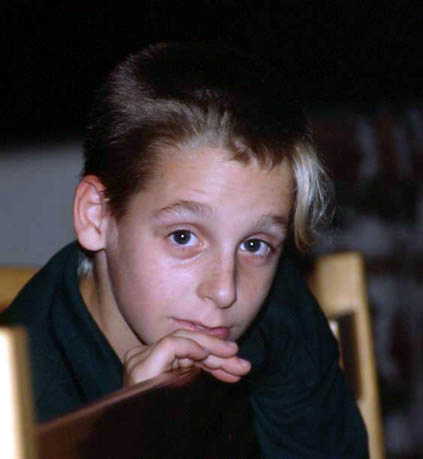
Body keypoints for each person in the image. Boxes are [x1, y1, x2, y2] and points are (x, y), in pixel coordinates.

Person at [1, 42, 368, 457]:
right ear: (96, 216)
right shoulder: (22, 402)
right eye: (183, 237)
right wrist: (133, 436)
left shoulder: (276, 312)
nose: (225, 290)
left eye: (254, 244)